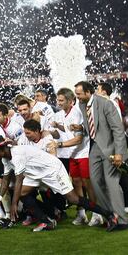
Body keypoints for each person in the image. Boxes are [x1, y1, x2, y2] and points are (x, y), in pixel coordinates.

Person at [0, 136, 118, 232]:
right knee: (22, 193)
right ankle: (47, 222)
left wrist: (14, 204)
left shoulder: (17, 155)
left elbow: (19, 180)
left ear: (4, 148)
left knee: (72, 198)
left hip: (52, 169)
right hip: (36, 173)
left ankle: (110, 215)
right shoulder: (5, 158)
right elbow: (5, 179)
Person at [75, 81, 128, 229]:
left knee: (111, 182)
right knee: (95, 181)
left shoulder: (106, 104)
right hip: (95, 147)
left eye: (79, 94)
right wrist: (80, 128)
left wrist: (119, 153)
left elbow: (118, 130)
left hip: (111, 147)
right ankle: (110, 215)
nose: (77, 97)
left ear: (88, 92)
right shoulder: (82, 105)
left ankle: (122, 220)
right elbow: (91, 128)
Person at [48, 87, 101, 226]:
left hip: (83, 153)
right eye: (57, 100)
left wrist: (59, 145)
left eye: (61, 100)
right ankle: (82, 213)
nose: (58, 103)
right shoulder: (64, 114)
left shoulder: (77, 113)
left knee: (87, 184)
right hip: (72, 154)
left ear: (71, 101)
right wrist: (55, 128)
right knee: (76, 183)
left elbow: (78, 139)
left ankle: (97, 214)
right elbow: (67, 130)